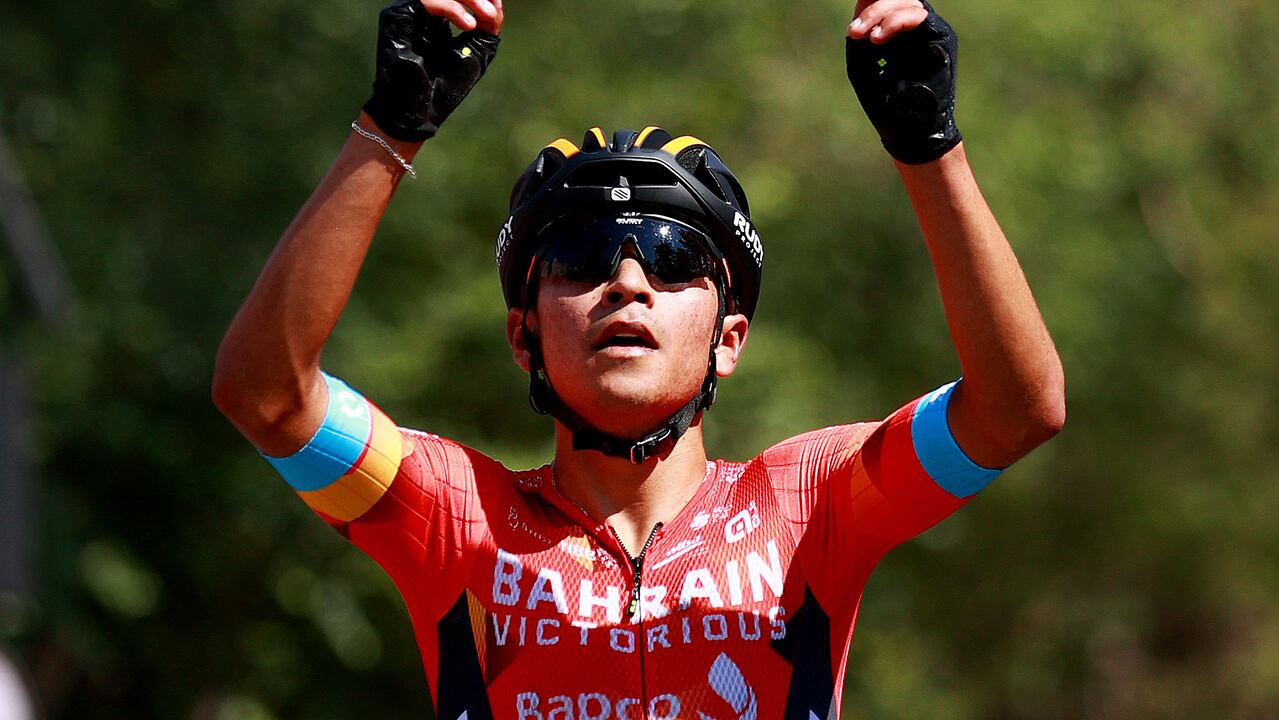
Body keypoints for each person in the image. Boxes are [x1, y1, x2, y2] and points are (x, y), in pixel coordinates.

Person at [212, 0, 1065, 716]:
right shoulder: (454, 517)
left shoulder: (813, 506)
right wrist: (388, 131)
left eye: (672, 259)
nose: (627, 283)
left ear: (729, 340)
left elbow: (1019, 411)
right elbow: (267, 397)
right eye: (581, 259)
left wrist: (930, 147)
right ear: (523, 336)